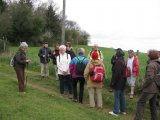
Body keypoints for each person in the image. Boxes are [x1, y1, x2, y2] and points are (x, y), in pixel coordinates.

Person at [134, 50, 160, 120]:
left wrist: (144, 84)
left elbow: (150, 78)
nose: (147, 56)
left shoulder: (151, 65)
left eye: (148, 55)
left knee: (141, 103)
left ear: (150, 56)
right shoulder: (158, 64)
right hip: (156, 89)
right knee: (153, 105)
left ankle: (138, 118)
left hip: (149, 89)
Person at [108, 48, 127, 116]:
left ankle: (116, 111)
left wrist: (113, 82)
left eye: (116, 53)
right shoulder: (123, 60)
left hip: (119, 82)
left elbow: (117, 74)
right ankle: (123, 110)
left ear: (117, 54)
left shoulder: (118, 62)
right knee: (122, 96)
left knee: (117, 96)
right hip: (123, 81)